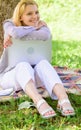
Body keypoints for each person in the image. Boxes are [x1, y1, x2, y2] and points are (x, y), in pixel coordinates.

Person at [0, 0, 75, 118]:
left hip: (33, 75)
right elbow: (15, 33)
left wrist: (29, 29)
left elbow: (45, 35)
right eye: (29, 14)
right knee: (23, 65)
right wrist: (34, 28)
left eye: (36, 12)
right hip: (11, 75)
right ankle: (39, 101)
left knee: (44, 63)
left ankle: (63, 99)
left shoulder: (42, 26)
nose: (35, 16)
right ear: (20, 17)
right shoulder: (9, 24)